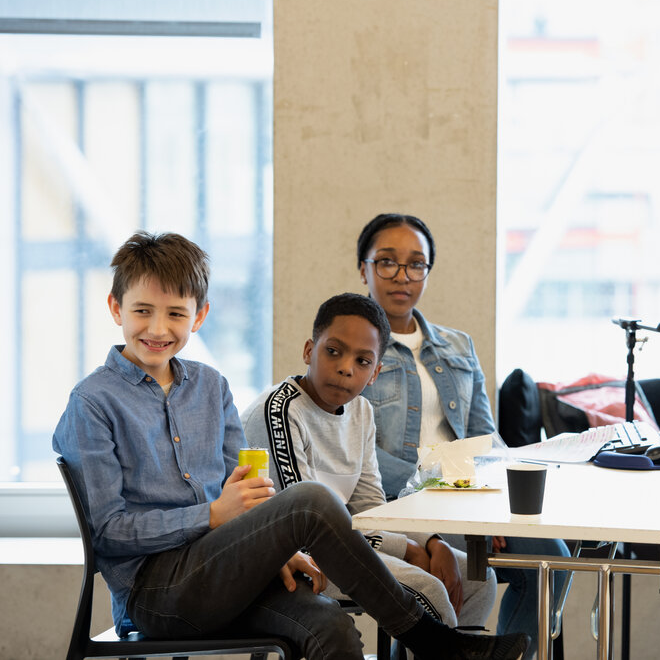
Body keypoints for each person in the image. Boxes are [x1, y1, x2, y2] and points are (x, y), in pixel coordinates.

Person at [52, 231, 528, 660]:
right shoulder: (93, 403)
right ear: (116, 309)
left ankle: (435, 641)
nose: (158, 329)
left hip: (229, 573)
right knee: (311, 500)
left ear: (199, 316)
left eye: (175, 313)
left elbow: (252, 494)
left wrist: (271, 547)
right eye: (142, 311)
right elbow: (109, 533)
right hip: (156, 595)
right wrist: (212, 515)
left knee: (331, 630)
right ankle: (433, 641)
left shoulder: (211, 388)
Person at [356, 213, 571, 659]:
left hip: (468, 495)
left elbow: (485, 437)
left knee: (552, 559)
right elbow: (361, 456)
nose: (403, 276)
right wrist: (455, 486)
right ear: (364, 269)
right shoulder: (353, 350)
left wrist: (484, 499)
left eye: (417, 264)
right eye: (387, 262)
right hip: (401, 504)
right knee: (442, 576)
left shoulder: (457, 346)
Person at [242, 292, 498, 641]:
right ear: (308, 351)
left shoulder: (361, 412)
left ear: (375, 373)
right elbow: (303, 528)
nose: (346, 367)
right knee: (428, 589)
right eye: (333, 351)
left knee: (478, 579)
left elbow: (372, 506)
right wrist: (407, 549)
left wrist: (432, 542)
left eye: (363, 361)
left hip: (341, 546)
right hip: (292, 558)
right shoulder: (281, 410)